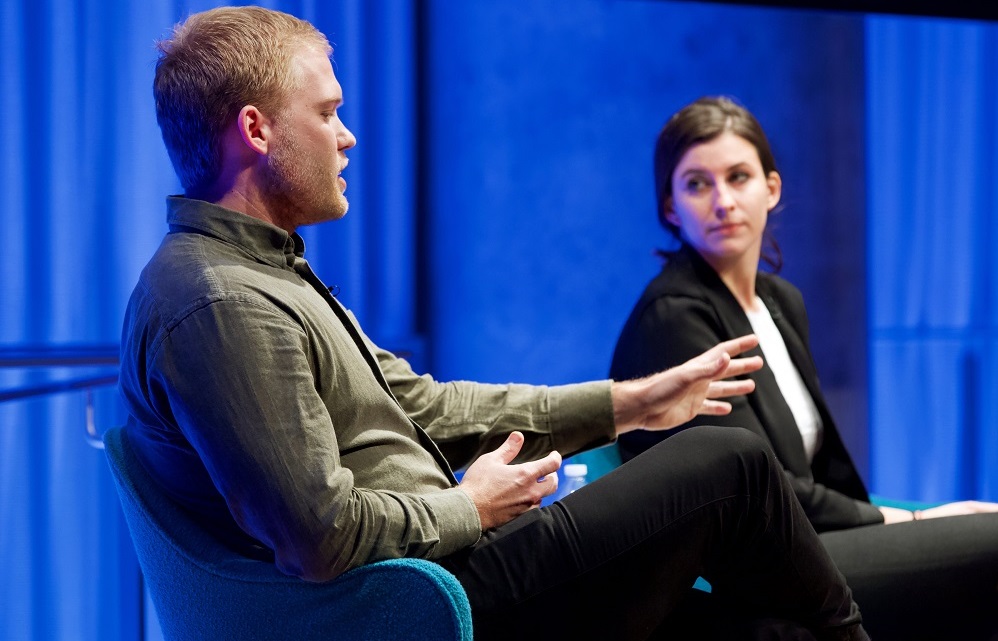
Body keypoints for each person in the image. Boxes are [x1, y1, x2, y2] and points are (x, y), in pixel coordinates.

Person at [119, 8, 871, 640]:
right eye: (328, 113)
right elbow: (321, 537)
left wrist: (631, 402)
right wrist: (470, 505)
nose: (346, 135)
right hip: (435, 600)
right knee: (728, 463)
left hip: (460, 564)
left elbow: (427, 406)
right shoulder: (221, 303)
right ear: (256, 130)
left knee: (766, 628)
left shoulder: (265, 272)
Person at [611, 95, 998, 639]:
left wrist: (903, 520)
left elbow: (820, 472)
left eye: (738, 177)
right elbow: (759, 494)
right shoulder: (673, 316)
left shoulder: (779, 301)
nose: (722, 200)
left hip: (808, 546)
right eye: (697, 184)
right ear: (671, 207)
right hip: (756, 572)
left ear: (772, 188)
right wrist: (909, 521)